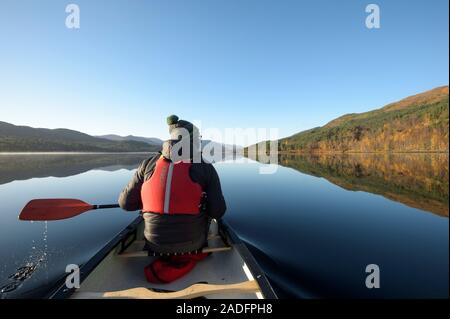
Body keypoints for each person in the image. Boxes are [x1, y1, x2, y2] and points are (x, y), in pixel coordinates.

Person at [118, 115, 227, 256]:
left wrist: (151, 201)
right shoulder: (205, 167)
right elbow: (217, 212)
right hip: (193, 244)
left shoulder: (148, 164)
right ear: (192, 140)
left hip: (153, 244)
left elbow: (126, 204)